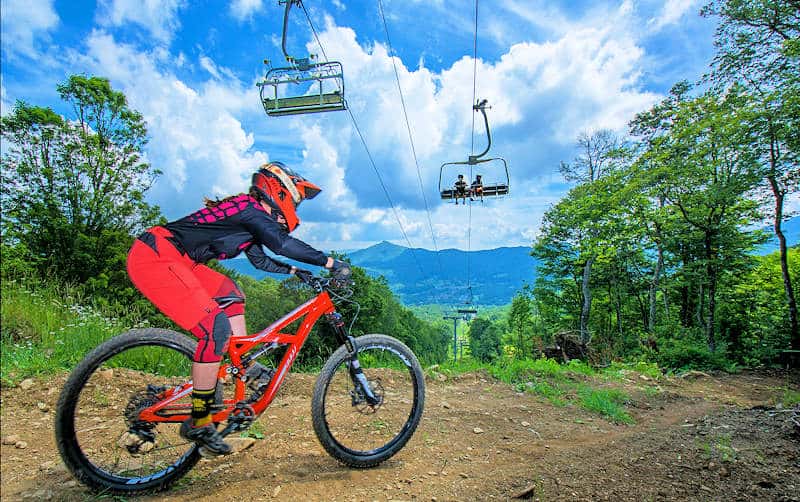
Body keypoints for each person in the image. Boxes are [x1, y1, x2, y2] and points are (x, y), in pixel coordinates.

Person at [126, 161, 351, 456]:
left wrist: (297, 272)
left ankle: (243, 365)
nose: (294, 209)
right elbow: (282, 244)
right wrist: (332, 263)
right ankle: (200, 420)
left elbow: (261, 260)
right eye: (295, 200)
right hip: (157, 256)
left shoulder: (247, 217)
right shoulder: (249, 210)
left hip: (177, 260)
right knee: (215, 328)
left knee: (231, 294)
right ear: (278, 190)